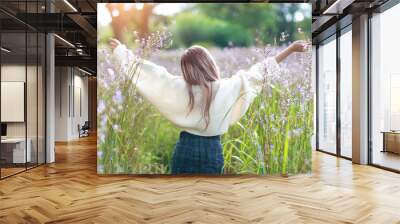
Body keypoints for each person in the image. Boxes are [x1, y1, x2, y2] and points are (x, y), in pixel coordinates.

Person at [109, 38, 309, 174]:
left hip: (184, 148)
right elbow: (260, 72)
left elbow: (150, 74)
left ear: (186, 69)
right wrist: (290, 49)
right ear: (210, 64)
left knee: (181, 199)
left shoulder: (179, 87)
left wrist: (121, 51)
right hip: (213, 149)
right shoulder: (228, 87)